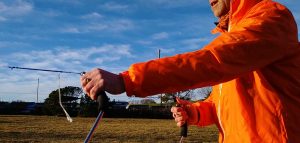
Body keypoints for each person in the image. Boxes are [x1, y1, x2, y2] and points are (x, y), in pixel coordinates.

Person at [80, 0, 300, 142]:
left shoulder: (272, 17)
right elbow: (222, 105)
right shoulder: (230, 37)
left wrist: (128, 80)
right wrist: (195, 113)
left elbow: (212, 60)